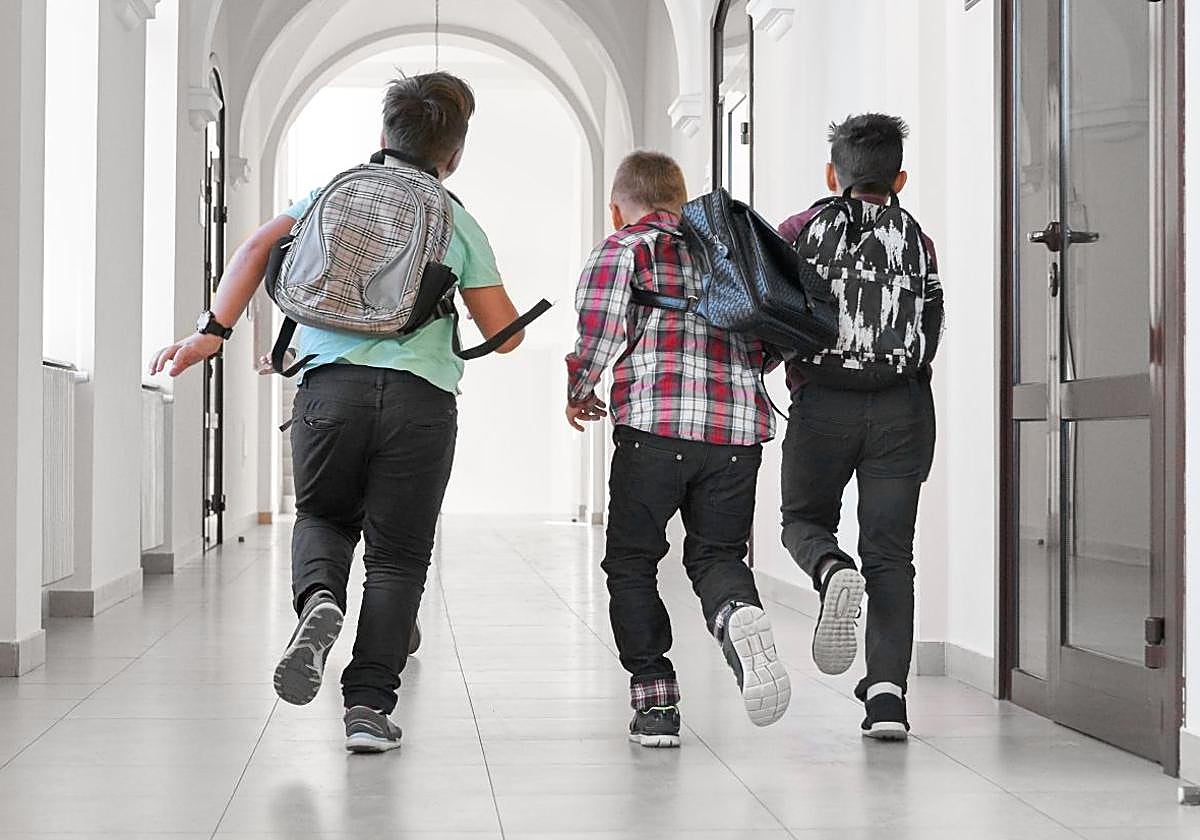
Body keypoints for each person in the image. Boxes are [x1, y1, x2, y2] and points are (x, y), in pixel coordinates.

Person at [149, 72, 526, 753]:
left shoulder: (330, 192)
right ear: (455, 154)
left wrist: (213, 331)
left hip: (328, 392)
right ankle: (368, 710)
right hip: (420, 401)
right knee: (398, 556)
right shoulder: (455, 216)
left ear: (382, 137)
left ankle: (320, 600)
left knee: (323, 518)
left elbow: (254, 246)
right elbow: (503, 331)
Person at [565, 151, 791, 748]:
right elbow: (768, 332)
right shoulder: (725, 248)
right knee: (718, 557)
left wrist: (578, 390)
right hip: (737, 432)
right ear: (679, 196)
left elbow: (599, 328)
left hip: (654, 429)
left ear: (618, 207)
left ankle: (656, 698)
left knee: (633, 561)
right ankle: (735, 613)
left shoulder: (625, 249)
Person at [777, 114, 943, 740]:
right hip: (901, 407)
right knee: (892, 556)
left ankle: (827, 570)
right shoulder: (918, 239)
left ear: (832, 174)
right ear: (899, 177)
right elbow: (930, 327)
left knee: (804, 521)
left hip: (822, 403)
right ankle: (887, 699)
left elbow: (770, 304)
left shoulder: (802, 230)